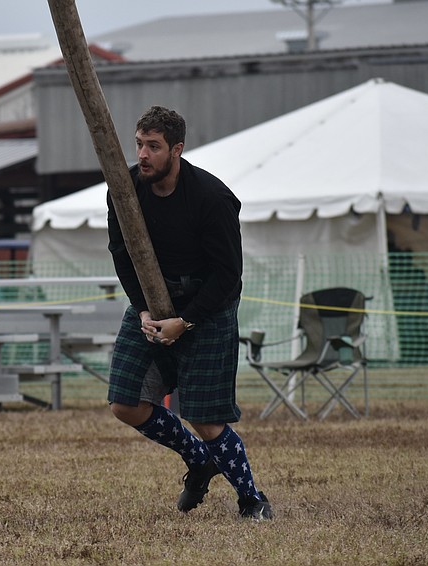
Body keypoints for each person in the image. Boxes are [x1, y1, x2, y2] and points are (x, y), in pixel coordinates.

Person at [106, 106, 272, 520]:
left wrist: (186, 321)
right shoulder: (123, 190)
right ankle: (199, 461)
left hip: (207, 306)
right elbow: (121, 254)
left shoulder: (212, 198)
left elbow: (228, 276)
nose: (143, 155)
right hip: (153, 302)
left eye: (154, 147)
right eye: (140, 144)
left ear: (177, 149)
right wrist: (142, 308)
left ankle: (251, 499)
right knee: (125, 404)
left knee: (205, 418)